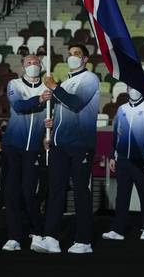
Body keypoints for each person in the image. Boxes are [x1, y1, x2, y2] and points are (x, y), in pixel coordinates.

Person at [31, 44, 100, 254]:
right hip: (60, 144)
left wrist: (53, 87)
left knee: (80, 191)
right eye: (69, 54)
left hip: (81, 144)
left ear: (85, 59)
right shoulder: (67, 82)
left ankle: (84, 240)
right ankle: (51, 237)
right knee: (56, 190)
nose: (72, 57)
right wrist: (51, 131)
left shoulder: (90, 79)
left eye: (77, 54)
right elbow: (65, 110)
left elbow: (77, 104)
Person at [1, 55, 52, 252]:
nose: (32, 66)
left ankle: (36, 232)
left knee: (30, 192)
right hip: (13, 146)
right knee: (11, 193)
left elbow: (53, 116)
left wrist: (51, 124)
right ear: (23, 66)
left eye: (36, 63)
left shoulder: (48, 89)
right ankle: (14, 237)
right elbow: (19, 106)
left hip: (34, 150)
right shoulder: (14, 84)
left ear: (41, 66)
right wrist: (39, 99)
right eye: (29, 63)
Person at [102, 86, 144, 241]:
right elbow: (116, 134)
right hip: (123, 159)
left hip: (141, 159)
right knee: (122, 196)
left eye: (136, 87)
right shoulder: (121, 109)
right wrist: (113, 156)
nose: (133, 90)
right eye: (130, 87)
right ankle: (118, 230)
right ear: (126, 89)